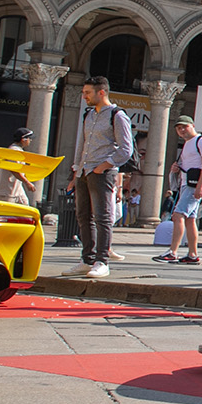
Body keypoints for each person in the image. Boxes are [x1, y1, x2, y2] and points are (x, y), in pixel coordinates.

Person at [61, 75, 133, 279]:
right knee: (83, 216)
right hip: (84, 170)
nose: (84, 96)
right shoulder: (89, 115)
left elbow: (126, 149)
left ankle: (102, 260)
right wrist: (76, 172)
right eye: (84, 92)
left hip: (101, 171)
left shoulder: (117, 115)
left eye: (87, 93)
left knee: (102, 217)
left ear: (101, 92)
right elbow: (81, 145)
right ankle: (87, 259)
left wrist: (103, 166)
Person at [155, 116, 202, 265]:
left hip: (194, 184)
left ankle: (173, 252)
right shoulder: (187, 143)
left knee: (178, 214)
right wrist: (176, 168)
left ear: (192, 125)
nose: (181, 130)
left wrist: (200, 186)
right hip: (187, 183)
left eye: (184, 127)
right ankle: (192, 254)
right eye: (178, 128)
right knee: (189, 218)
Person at [0, 127, 41, 206]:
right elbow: (14, 169)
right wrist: (27, 182)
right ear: (23, 139)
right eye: (29, 138)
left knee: (25, 207)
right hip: (5, 192)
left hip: (16, 191)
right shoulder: (14, 150)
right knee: (6, 216)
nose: (30, 140)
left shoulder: (19, 150)